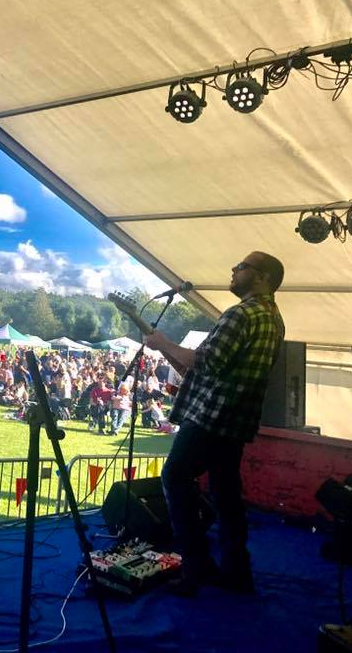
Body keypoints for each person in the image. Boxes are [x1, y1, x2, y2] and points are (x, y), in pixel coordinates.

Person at [144, 251, 285, 597]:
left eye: (242, 267)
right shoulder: (274, 317)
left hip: (211, 418)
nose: (234, 270)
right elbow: (219, 370)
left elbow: (207, 362)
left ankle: (196, 566)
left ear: (263, 276)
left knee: (175, 478)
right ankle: (237, 572)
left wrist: (163, 342)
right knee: (225, 495)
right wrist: (169, 351)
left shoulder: (240, 313)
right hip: (237, 421)